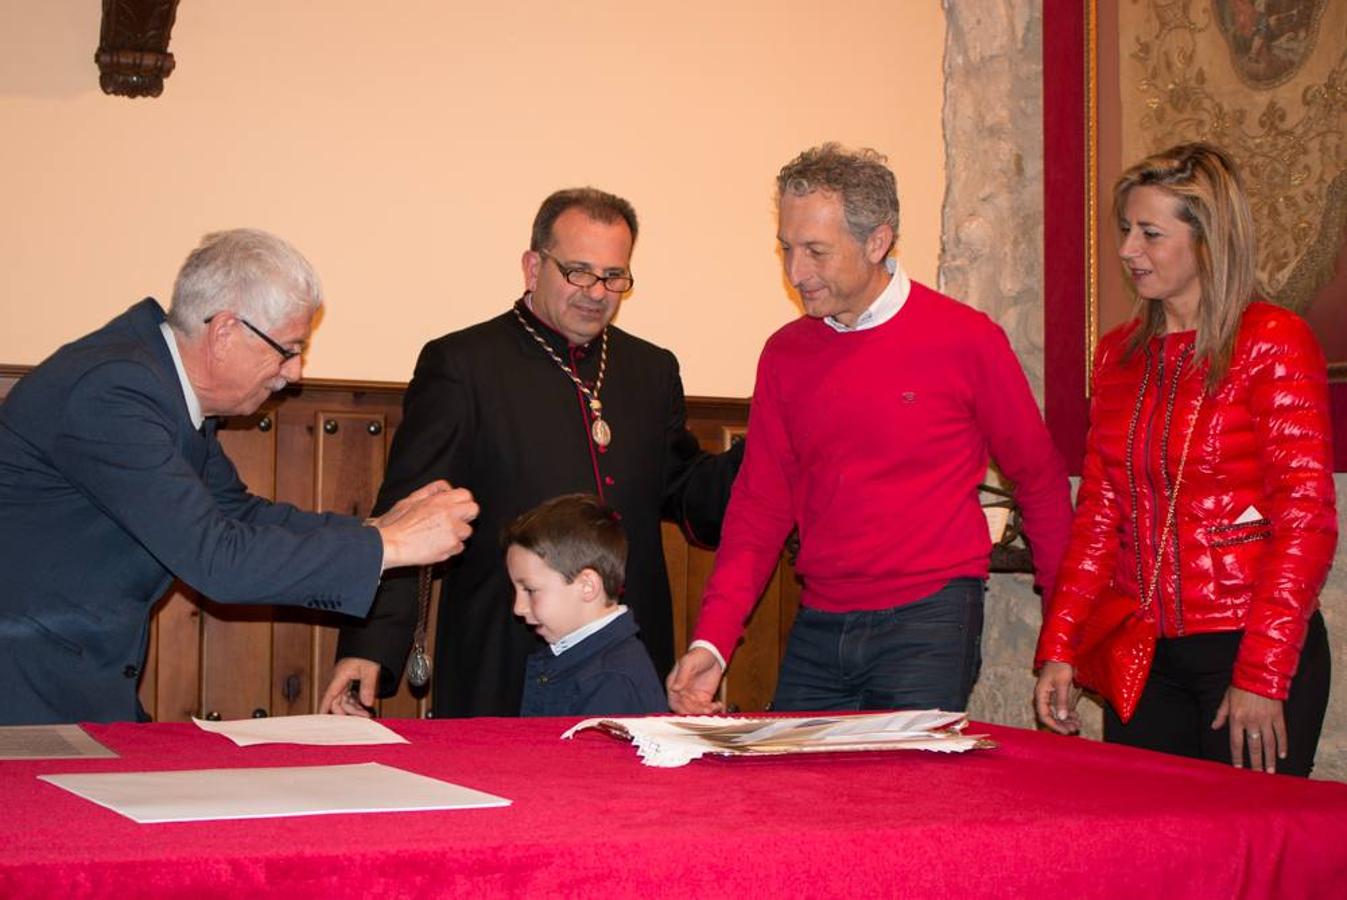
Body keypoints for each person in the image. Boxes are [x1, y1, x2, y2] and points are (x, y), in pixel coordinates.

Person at [0, 228, 479, 726]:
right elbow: (217, 560)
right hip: (22, 691)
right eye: (289, 349)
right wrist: (393, 547)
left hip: (69, 684)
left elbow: (238, 513)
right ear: (226, 331)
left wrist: (375, 530)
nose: (293, 373)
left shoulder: (157, 385)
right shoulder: (113, 391)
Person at [667, 144, 1073, 715]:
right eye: (787, 248)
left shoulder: (965, 340)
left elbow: (1040, 480)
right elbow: (759, 507)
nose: (795, 272)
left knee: (910, 801)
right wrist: (712, 639)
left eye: (816, 251)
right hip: (819, 621)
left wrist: (1062, 635)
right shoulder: (786, 354)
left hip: (930, 621)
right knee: (797, 798)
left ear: (877, 242)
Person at [323, 188, 741, 718]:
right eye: (579, 272)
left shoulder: (651, 370)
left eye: (615, 276)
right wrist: (369, 647)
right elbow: (409, 510)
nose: (597, 292)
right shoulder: (464, 365)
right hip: (505, 647)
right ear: (532, 266)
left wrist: (765, 452)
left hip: (625, 661)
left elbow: (684, 491)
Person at [1034, 143, 1336, 776]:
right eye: (1125, 230)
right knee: (1155, 851)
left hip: (1246, 643)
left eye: (1149, 233)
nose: (1127, 250)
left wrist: (1262, 672)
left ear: (1207, 240)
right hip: (1143, 650)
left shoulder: (1273, 341)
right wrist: (1060, 645)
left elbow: (1304, 521)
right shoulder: (1118, 356)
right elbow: (1097, 517)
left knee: (1249, 856)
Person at [504, 493, 666, 717]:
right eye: (515, 590)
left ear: (587, 586)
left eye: (530, 590)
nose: (518, 608)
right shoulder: (579, 658)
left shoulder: (610, 681)